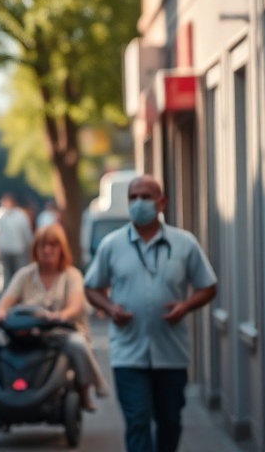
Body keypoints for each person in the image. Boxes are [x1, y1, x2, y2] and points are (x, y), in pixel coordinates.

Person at [84, 174, 217, 452]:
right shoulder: (112, 244)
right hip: (128, 352)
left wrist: (185, 306)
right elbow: (92, 287)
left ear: (161, 203)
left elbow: (208, 287)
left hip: (171, 352)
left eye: (146, 197)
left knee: (170, 421)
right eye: (133, 197)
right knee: (137, 421)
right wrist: (109, 308)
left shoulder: (184, 243)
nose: (139, 203)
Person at [0, 223, 107, 412]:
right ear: (35, 249)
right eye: (42, 245)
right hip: (30, 333)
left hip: (63, 332)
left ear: (62, 249)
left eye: (53, 245)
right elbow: (6, 300)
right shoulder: (25, 274)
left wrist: (61, 315)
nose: (47, 250)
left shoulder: (72, 275)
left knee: (78, 344)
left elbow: (75, 307)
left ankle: (84, 389)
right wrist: (1, 312)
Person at [0, 193, 33, 291]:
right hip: (3, 249)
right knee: (5, 273)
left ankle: (19, 292)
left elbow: (26, 232)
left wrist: (29, 246)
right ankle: (7, 292)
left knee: (19, 272)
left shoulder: (21, 215)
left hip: (18, 249)